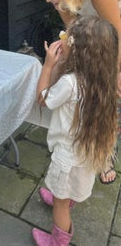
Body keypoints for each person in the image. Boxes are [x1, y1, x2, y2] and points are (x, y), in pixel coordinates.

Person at [32, 16, 118, 245]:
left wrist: (49, 65)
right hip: (87, 156)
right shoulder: (105, 80)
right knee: (71, 186)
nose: (63, 40)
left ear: (78, 51)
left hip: (67, 159)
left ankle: (57, 240)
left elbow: (43, 99)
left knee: (60, 206)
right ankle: (65, 194)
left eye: (67, 39)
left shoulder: (70, 82)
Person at [38, 0, 121, 184]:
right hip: (101, 35)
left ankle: (105, 156)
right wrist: (61, 62)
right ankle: (87, 145)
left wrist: (116, 74)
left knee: (111, 98)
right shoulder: (61, 2)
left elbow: (118, 39)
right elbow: (74, 36)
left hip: (118, 31)